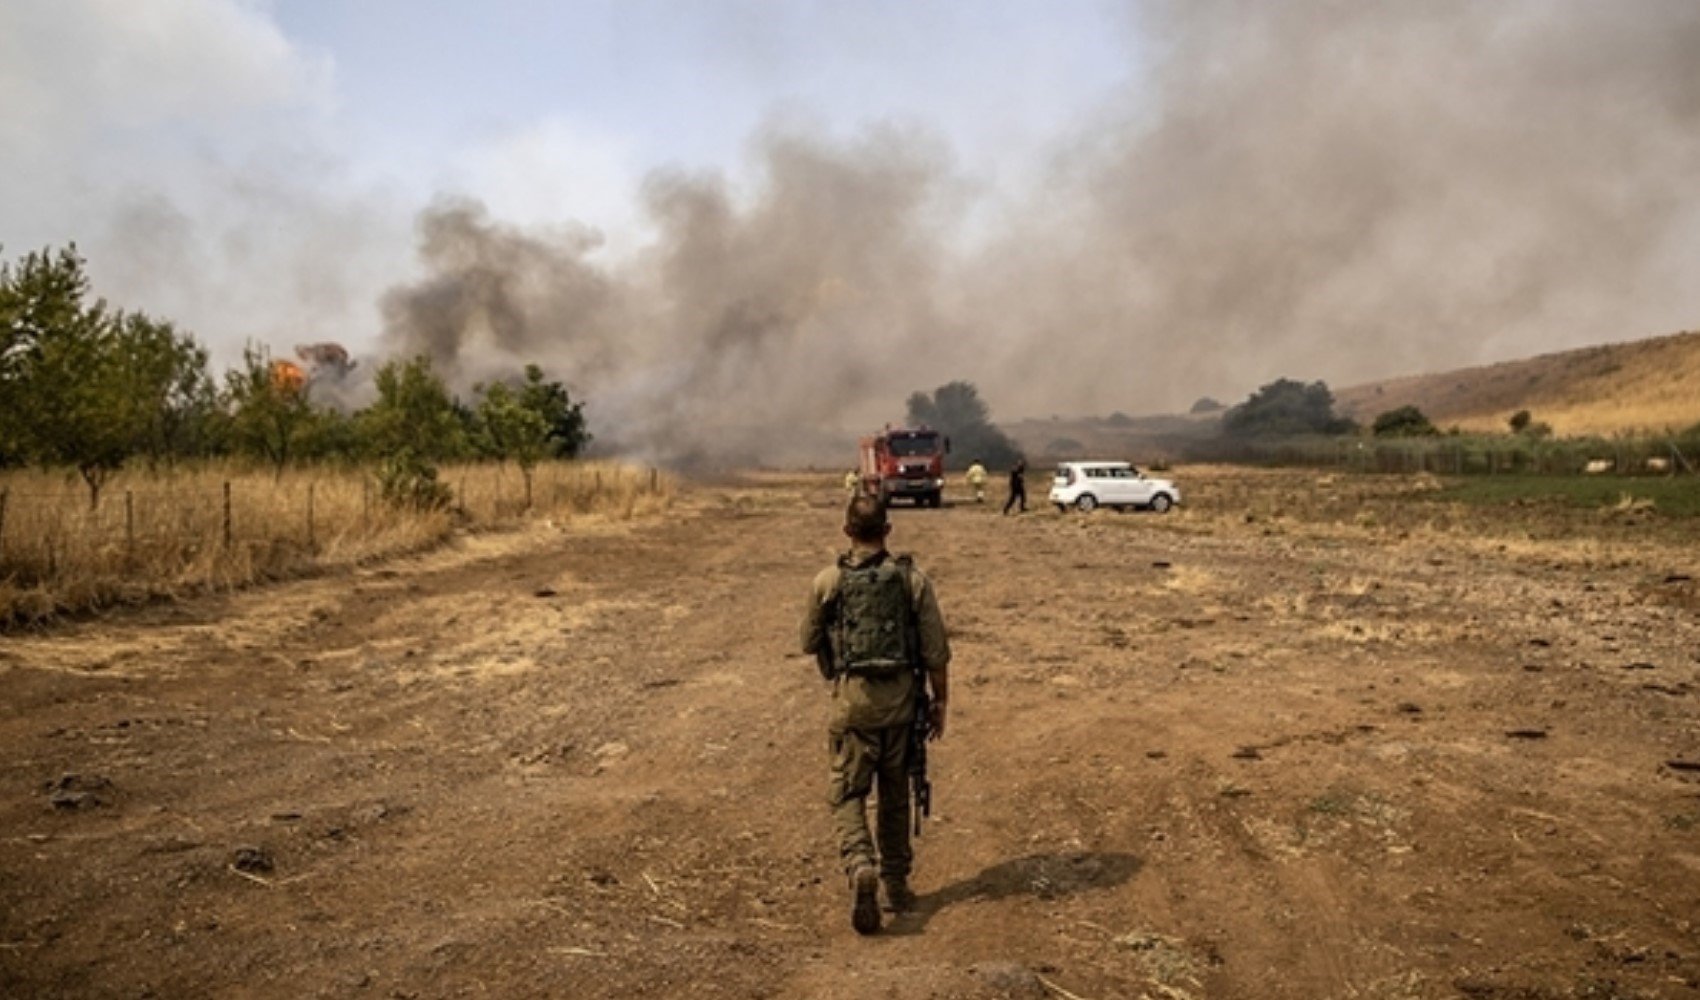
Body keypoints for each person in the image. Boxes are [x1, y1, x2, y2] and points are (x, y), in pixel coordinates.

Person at [800, 495, 951, 935]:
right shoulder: (913, 582)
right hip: (903, 706)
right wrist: (940, 703)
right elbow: (936, 652)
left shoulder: (828, 581)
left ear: (847, 532)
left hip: (853, 705)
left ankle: (860, 862)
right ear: (887, 530)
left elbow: (808, 640)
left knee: (847, 793)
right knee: (896, 795)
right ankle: (896, 885)